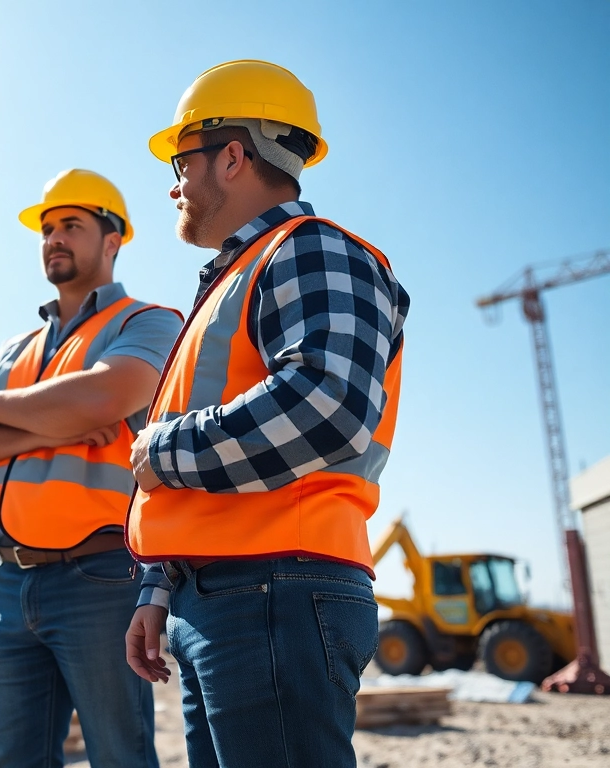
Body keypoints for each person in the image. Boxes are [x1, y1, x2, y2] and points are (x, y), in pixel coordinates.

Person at [124, 60, 410, 768]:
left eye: (182, 160)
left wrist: (159, 451)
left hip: (276, 588)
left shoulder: (311, 250)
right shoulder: (233, 281)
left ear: (232, 157)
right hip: (224, 595)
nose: (173, 182)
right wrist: (161, 583)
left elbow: (327, 405)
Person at [0, 169, 182, 767]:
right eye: (47, 229)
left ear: (113, 239)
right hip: (9, 584)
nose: (54, 239)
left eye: (72, 225)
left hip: (101, 576)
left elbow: (99, 400)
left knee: (121, 757)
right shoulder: (13, 351)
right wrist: (44, 426)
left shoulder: (144, 323)